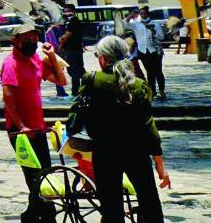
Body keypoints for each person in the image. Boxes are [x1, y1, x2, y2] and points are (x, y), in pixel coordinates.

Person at [70, 36, 169, 223]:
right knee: (149, 200)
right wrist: (159, 163)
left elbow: (76, 115)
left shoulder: (92, 80)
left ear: (103, 58)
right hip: (136, 152)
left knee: (111, 207)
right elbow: (149, 127)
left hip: (104, 151)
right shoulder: (139, 85)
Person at [1, 24, 66, 223]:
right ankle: (47, 216)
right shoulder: (10, 63)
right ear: (16, 41)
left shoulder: (35, 59)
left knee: (44, 173)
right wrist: (21, 127)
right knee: (33, 176)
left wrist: (53, 57)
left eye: (34, 39)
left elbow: (61, 81)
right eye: (27, 39)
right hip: (20, 130)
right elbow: (8, 97)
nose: (31, 42)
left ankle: (31, 215)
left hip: (38, 126)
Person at [128, 6, 165, 100]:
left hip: (155, 51)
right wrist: (130, 16)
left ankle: (162, 91)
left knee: (158, 72)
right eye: (141, 13)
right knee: (149, 72)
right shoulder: (137, 24)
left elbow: (161, 37)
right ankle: (152, 91)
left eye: (145, 13)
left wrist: (153, 31)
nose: (143, 15)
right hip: (143, 51)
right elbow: (124, 25)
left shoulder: (154, 24)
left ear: (148, 14)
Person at [57, 3, 85, 98]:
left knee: (73, 71)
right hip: (75, 49)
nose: (65, 13)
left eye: (67, 11)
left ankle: (75, 92)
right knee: (79, 71)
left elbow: (67, 36)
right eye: (64, 11)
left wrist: (60, 42)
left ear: (72, 12)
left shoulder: (73, 22)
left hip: (73, 50)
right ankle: (85, 87)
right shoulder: (71, 22)